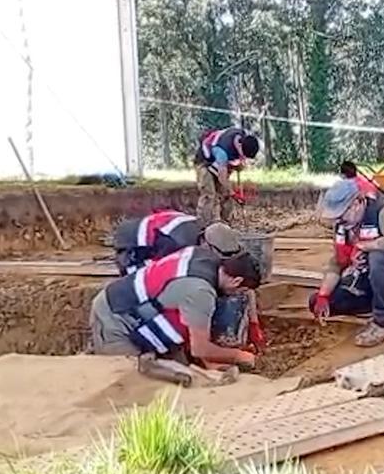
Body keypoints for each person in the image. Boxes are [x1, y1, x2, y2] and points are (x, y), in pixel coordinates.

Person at [88, 245, 262, 368]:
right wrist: (239, 356)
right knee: (131, 380)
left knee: (181, 372)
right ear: (236, 281)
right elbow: (199, 349)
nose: (235, 295)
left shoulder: (202, 255)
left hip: (140, 312)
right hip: (115, 317)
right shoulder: (200, 292)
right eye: (241, 290)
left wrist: (208, 361)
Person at [308, 179, 384, 347]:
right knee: (316, 302)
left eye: (341, 214)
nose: (338, 221)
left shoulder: (382, 212)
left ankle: (383, 323)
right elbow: (337, 263)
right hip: (367, 279)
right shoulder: (343, 226)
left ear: (356, 204)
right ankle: (381, 306)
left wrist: (366, 246)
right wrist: (323, 296)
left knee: (377, 257)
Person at [111, 211, 245, 276]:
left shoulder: (199, 226)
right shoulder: (177, 244)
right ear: (206, 243)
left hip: (139, 232)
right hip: (129, 247)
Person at [194, 127, 260, 225]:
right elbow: (222, 178)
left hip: (220, 164)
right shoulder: (223, 152)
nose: (244, 158)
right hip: (205, 162)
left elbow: (234, 163)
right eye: (244, 155)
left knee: (226, 195)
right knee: (209, 195)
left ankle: (225, 224)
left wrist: (238, 165)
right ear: (240, 146)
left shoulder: (242, 134)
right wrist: (233, 193)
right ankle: (203, 225)